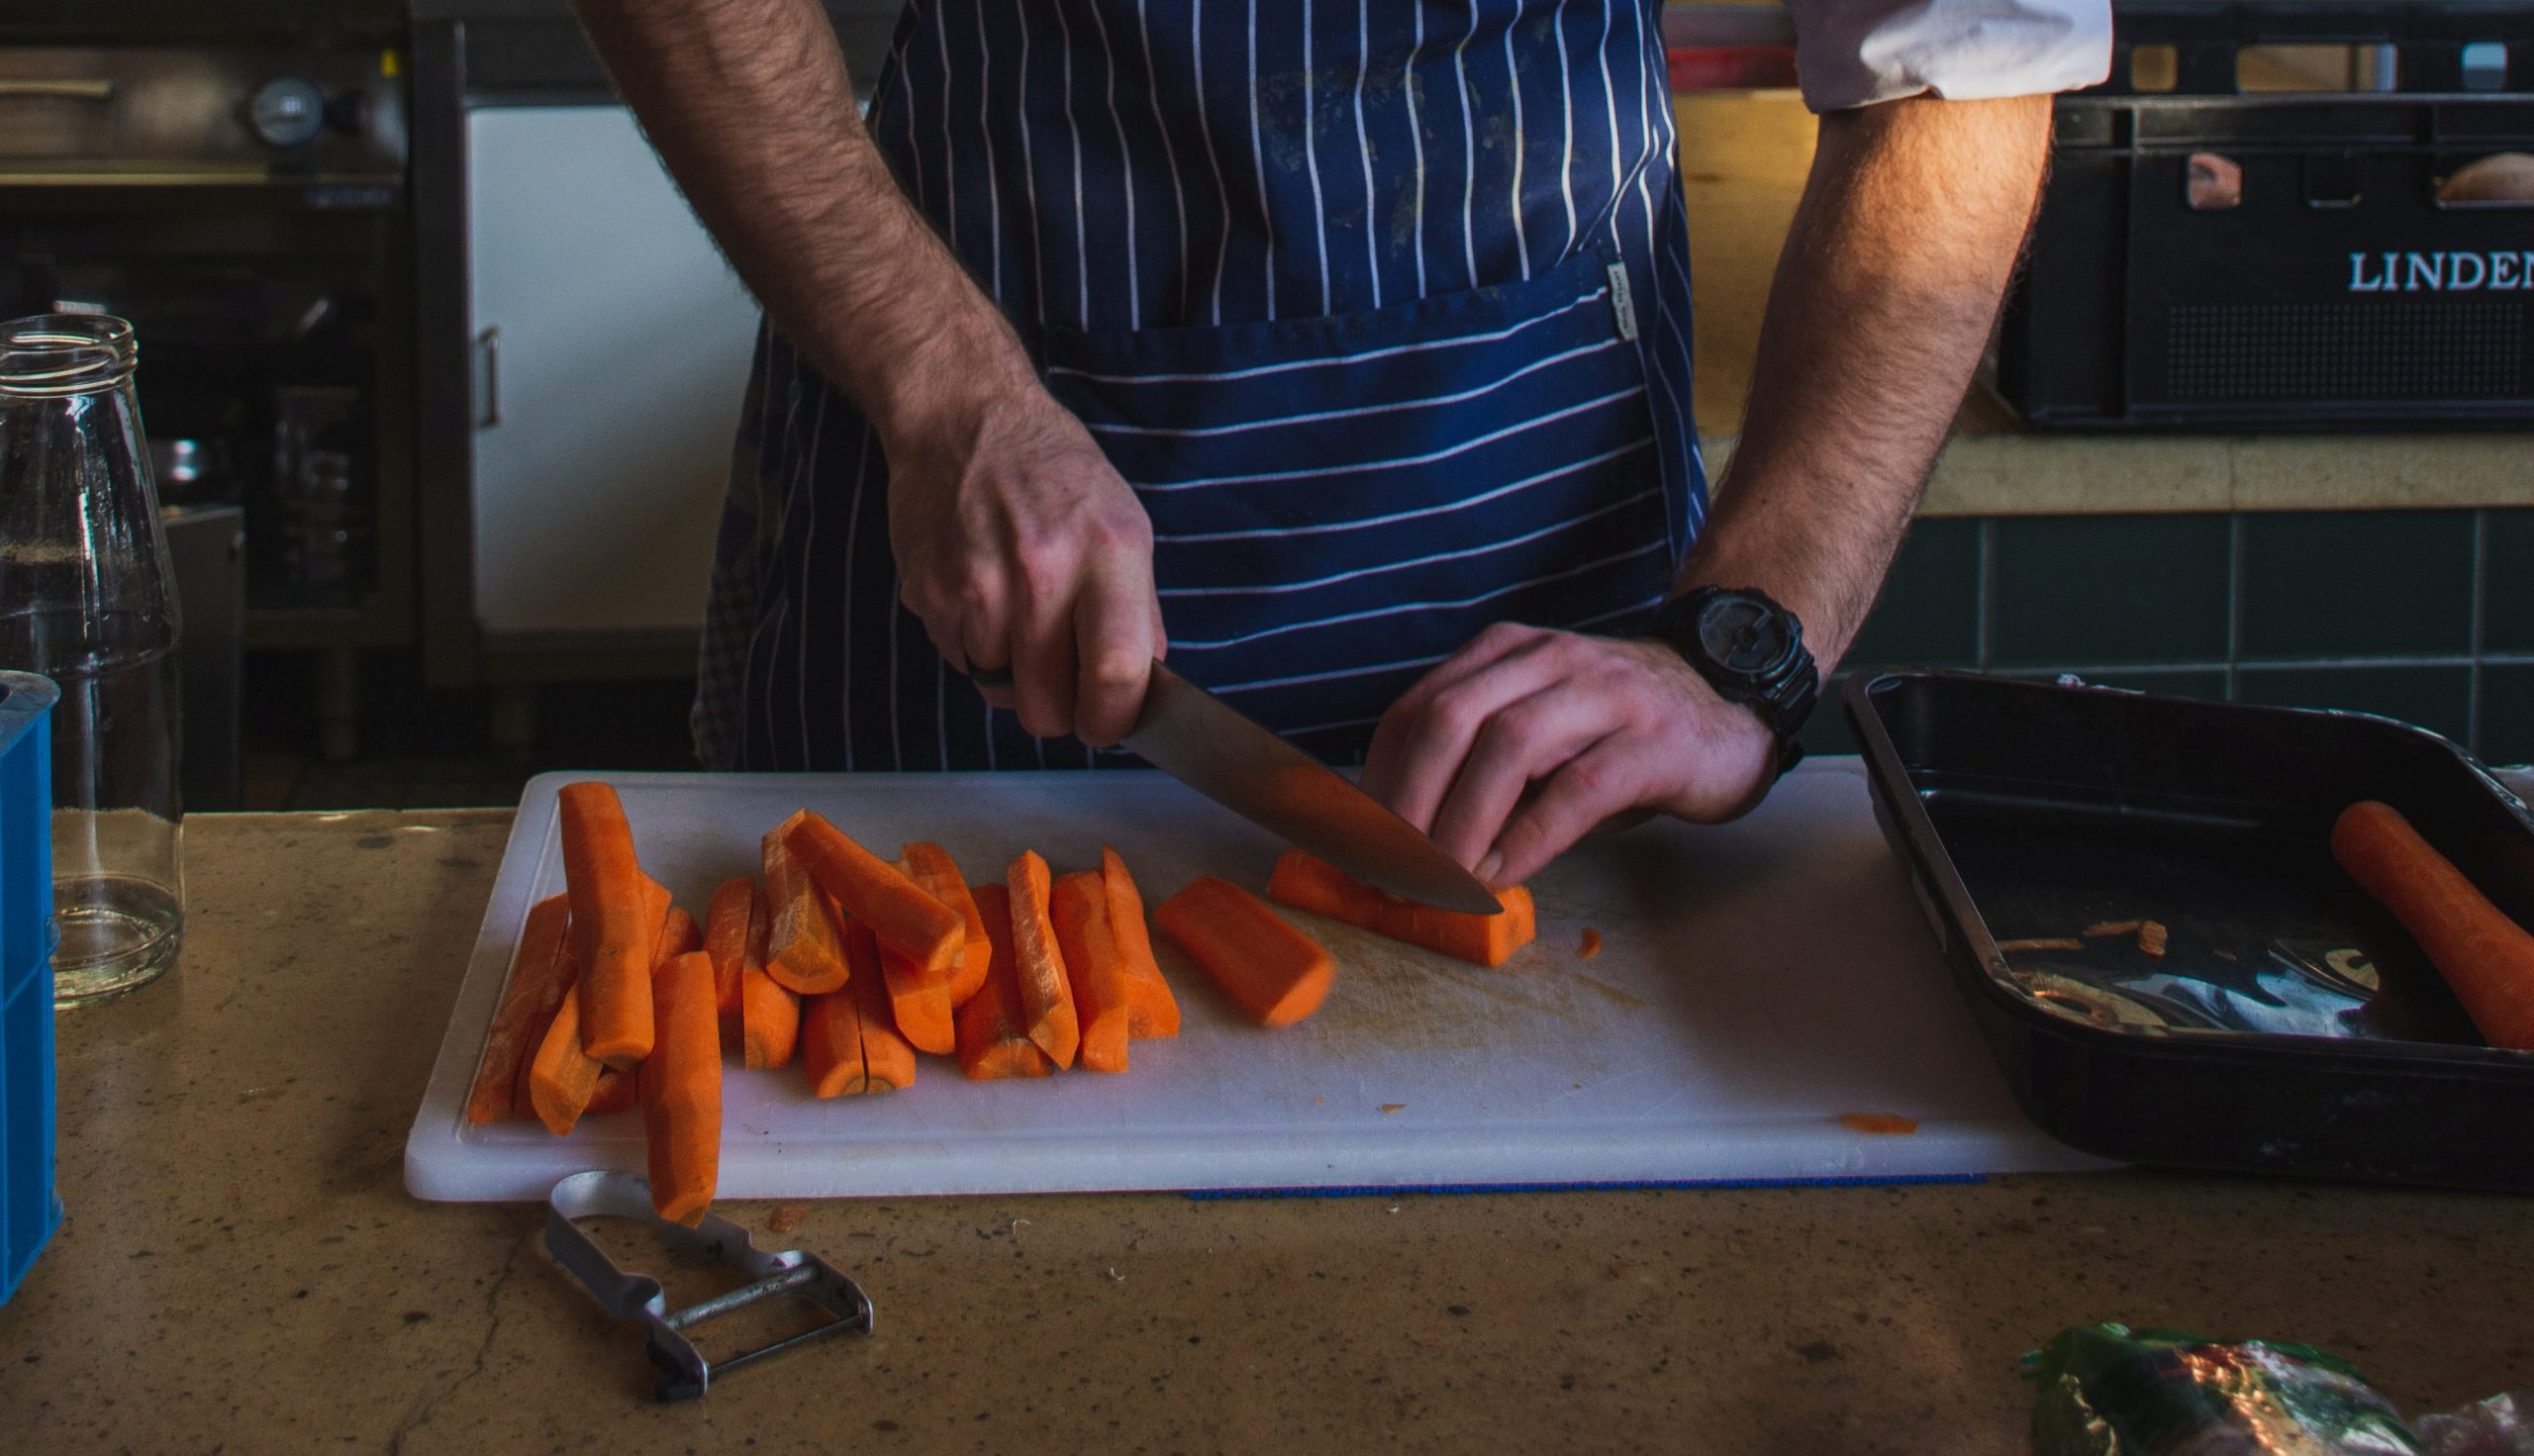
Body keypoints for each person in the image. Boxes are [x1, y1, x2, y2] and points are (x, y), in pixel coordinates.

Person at [572, 0, 2110, 888]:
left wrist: (1747, 641)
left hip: (1545, 580)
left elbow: (1970, 53)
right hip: (974, 525)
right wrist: (950, 392)